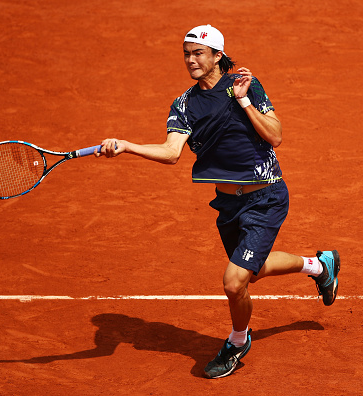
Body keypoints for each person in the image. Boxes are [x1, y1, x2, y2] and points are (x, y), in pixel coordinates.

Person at [95, 24, 340, 379]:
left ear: (217, 56)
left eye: (198, 53)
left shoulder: (244, 84)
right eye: (186, 53)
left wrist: (243, 101)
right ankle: (319, 266)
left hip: (266, 198)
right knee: (250, 274)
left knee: (233, 281)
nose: (190, 60)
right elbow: (170, 152)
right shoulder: (184, 104)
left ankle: (238, 341)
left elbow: (276, 135)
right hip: (228, 206)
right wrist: (127, 146)